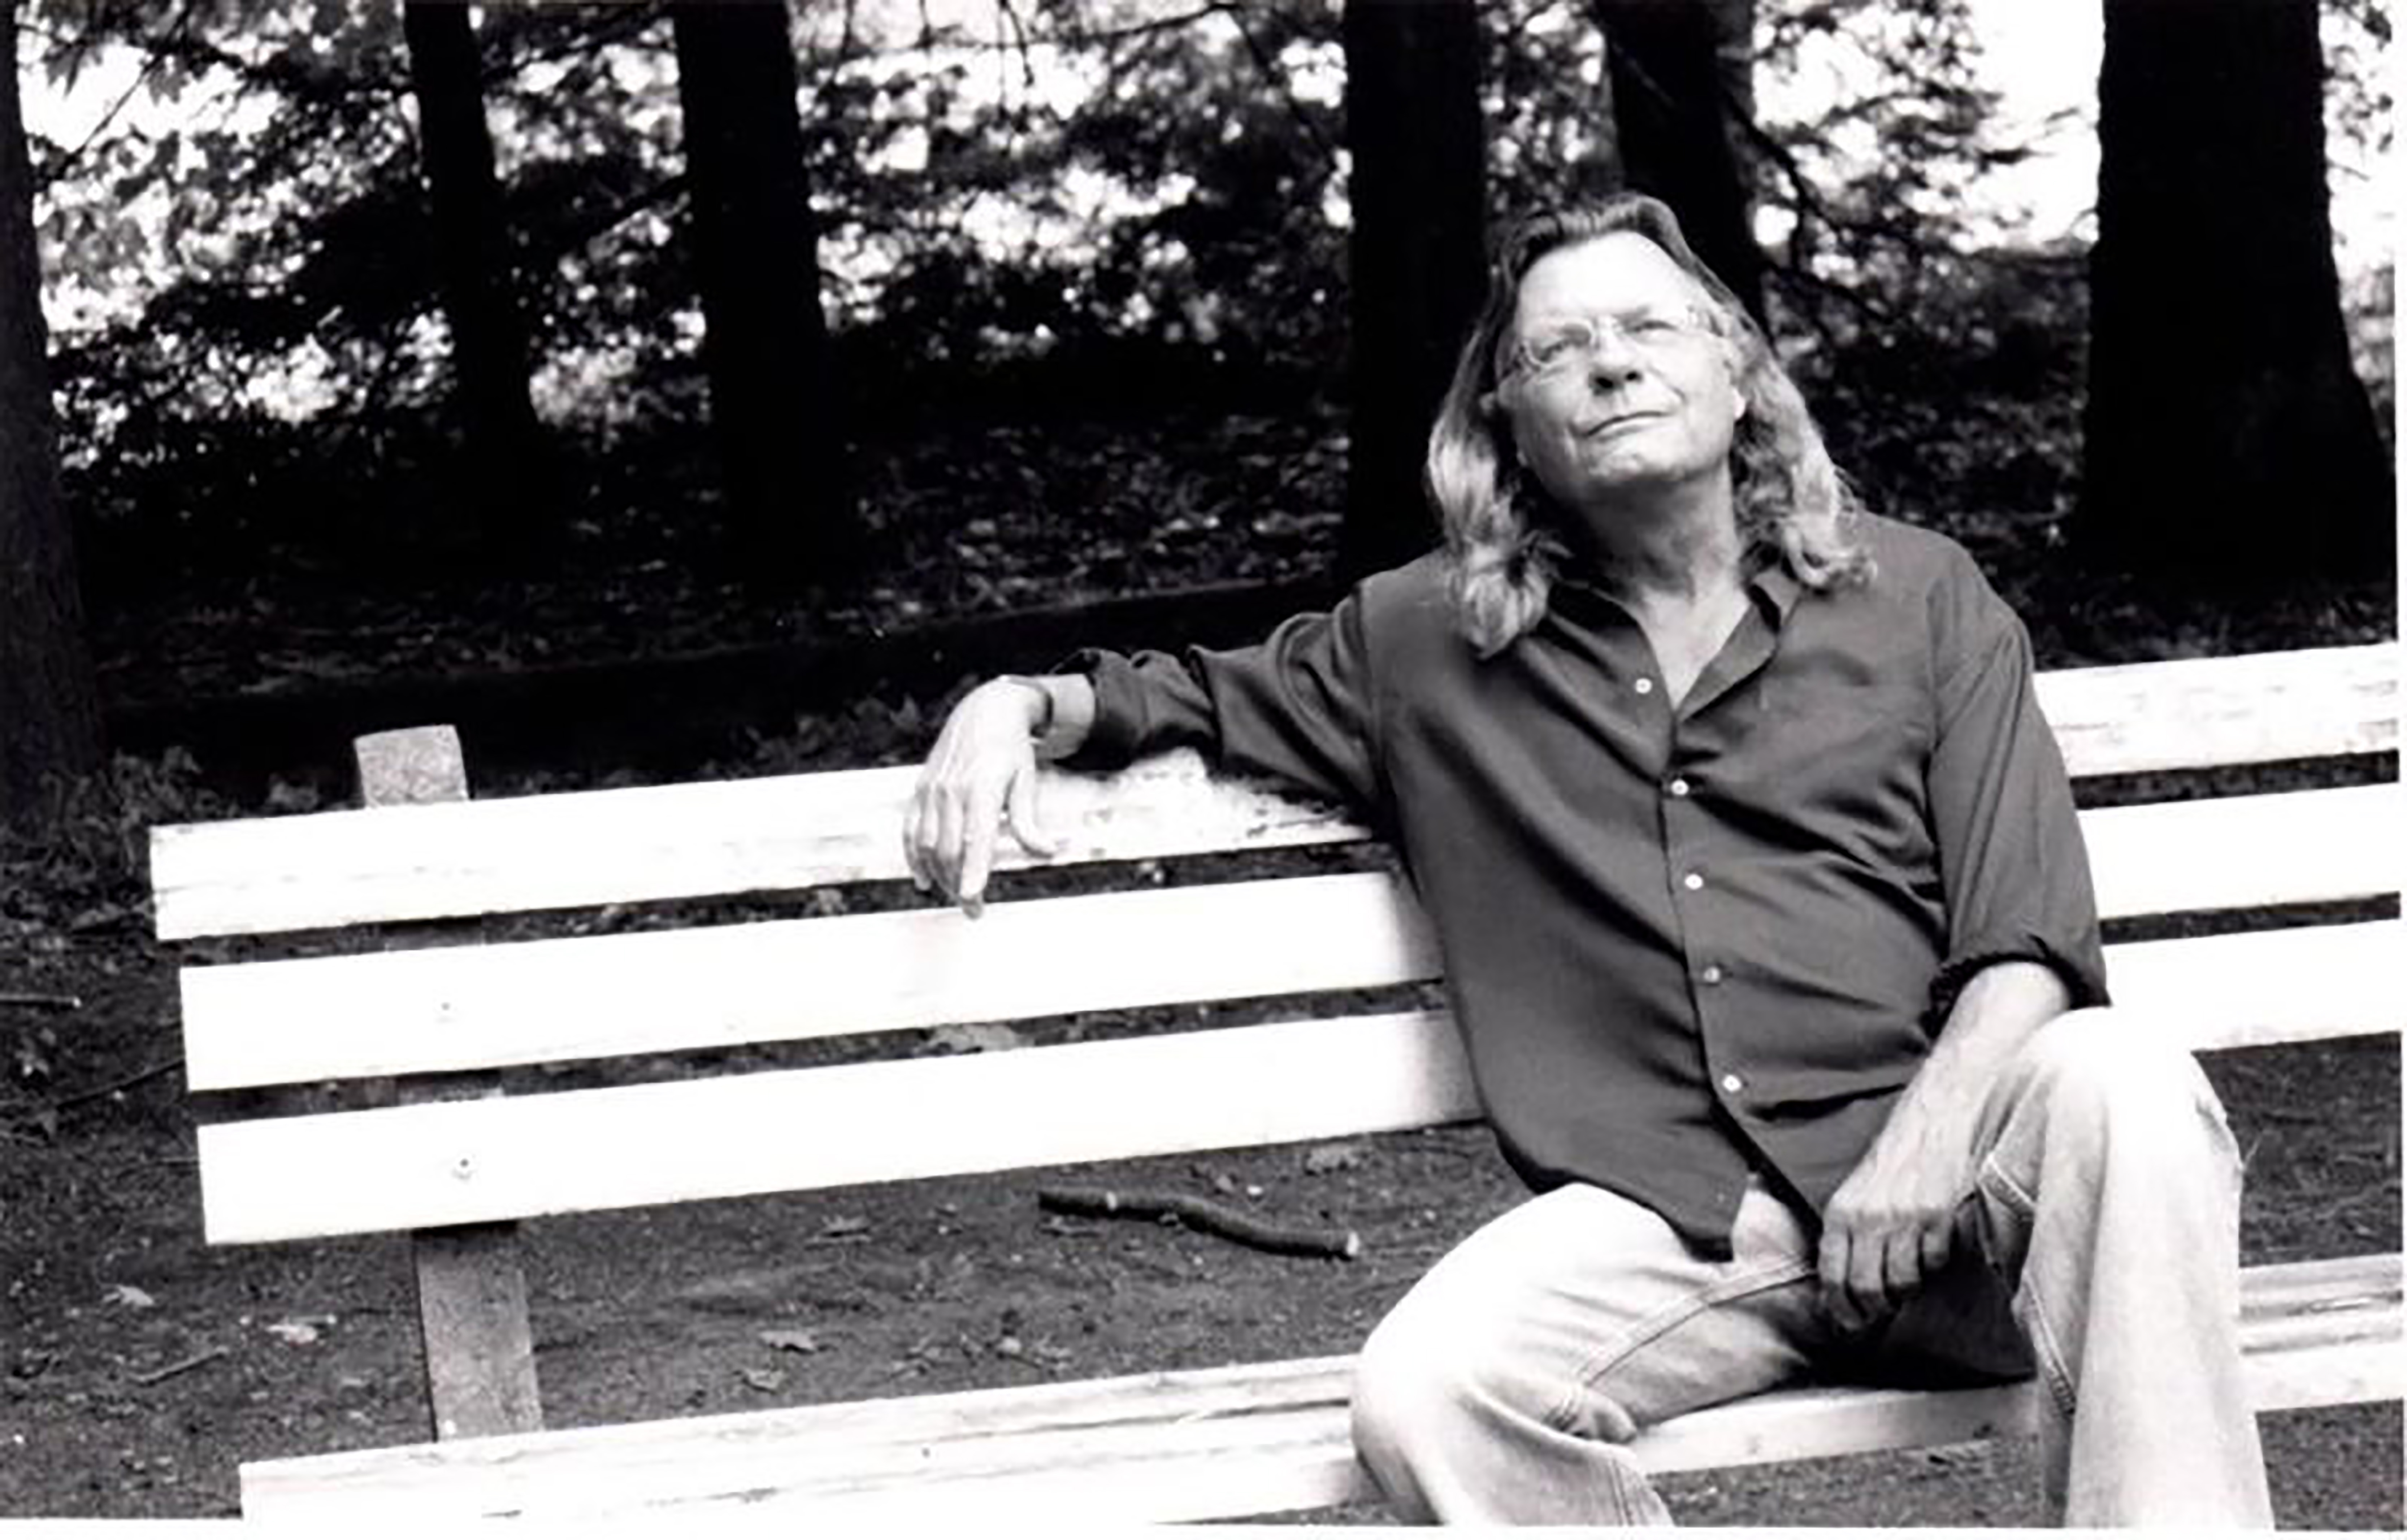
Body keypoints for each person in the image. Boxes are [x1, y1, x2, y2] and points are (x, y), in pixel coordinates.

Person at [901, 194, 2270, 1527]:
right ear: (1508, 425)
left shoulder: (1918, 596)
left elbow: (2026, 935)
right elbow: (1185, 694)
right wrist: (1012, 703)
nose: (1610, 361)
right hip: (1678, 1224)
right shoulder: (1424, 645)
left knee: (2120, 1075)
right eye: (1557, 350)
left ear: (1735, 371)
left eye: (1649, 329)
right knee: (1429, 1387)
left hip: (1960, 1199)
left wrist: (1920, 1147)